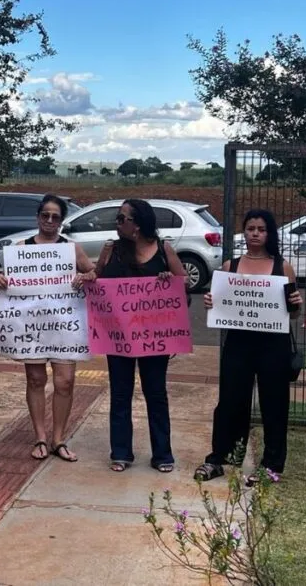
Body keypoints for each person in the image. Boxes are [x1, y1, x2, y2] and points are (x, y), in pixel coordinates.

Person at [196, 209, 302, 485]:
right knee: (231, 401)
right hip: (239, 343)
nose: (255, 233)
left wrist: (297, 306)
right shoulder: (230, 267)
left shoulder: (283, 267)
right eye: (251, 228)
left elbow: (293, 313)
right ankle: (220, 458)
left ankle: (272, 465)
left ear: (270, 234)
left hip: (273, 345)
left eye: (261, 229)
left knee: (274, 404)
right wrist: (211, 303)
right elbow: (219, 303)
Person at [0, 194, 96, 462]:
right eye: (45, 215)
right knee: (36, 379)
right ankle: (39, 436)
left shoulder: (72, 249)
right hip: (32, 327)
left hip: (65, 325)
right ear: (38, 217)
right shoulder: (20, 248)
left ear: (62, 221)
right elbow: (2, 277)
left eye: (55, 217)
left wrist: (86, 276)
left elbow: (94, 274)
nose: (49, 220)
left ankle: (58, 438)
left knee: (65, 381)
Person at [95, 199, 186, 473]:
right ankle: (120, 452)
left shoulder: (163, 249)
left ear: (137, 224)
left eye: (122, 219)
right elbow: (97, 278)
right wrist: (85, 278)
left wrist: (169, 281)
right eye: (118, 218)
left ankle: (162, 454)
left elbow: (183, 285)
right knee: (120, 393)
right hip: (118, 337)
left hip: (153, 337)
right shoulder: (110, 250)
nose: (118, 223)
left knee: (156, 393)